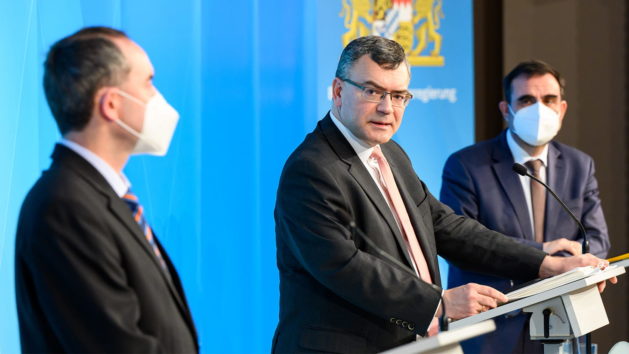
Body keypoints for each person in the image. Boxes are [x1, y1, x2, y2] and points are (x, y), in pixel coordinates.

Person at [272, 37, 609, 353]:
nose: (387, 108)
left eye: (399, 95)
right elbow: (342, 266)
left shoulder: (391, 154)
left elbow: (447, 227)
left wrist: (545, 264)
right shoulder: (313, 168)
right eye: (373, 92)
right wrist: (439, 302)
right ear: (338, 91)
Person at [14, 27, 197, 353]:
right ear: (111, 104)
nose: (158, 98)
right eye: (148, 83)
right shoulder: (65, 207)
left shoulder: (102, 197)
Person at [440, 60, 610, 353]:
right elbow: (463, 244)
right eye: (527, 100)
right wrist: (545, 253)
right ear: (507, 110)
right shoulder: (466, 165)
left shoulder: (579, 165)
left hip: (562, 325)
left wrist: (584, 262)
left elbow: (596, 241)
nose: (539, 110)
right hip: (492, 329)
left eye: (549, 100)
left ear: (563, 109)